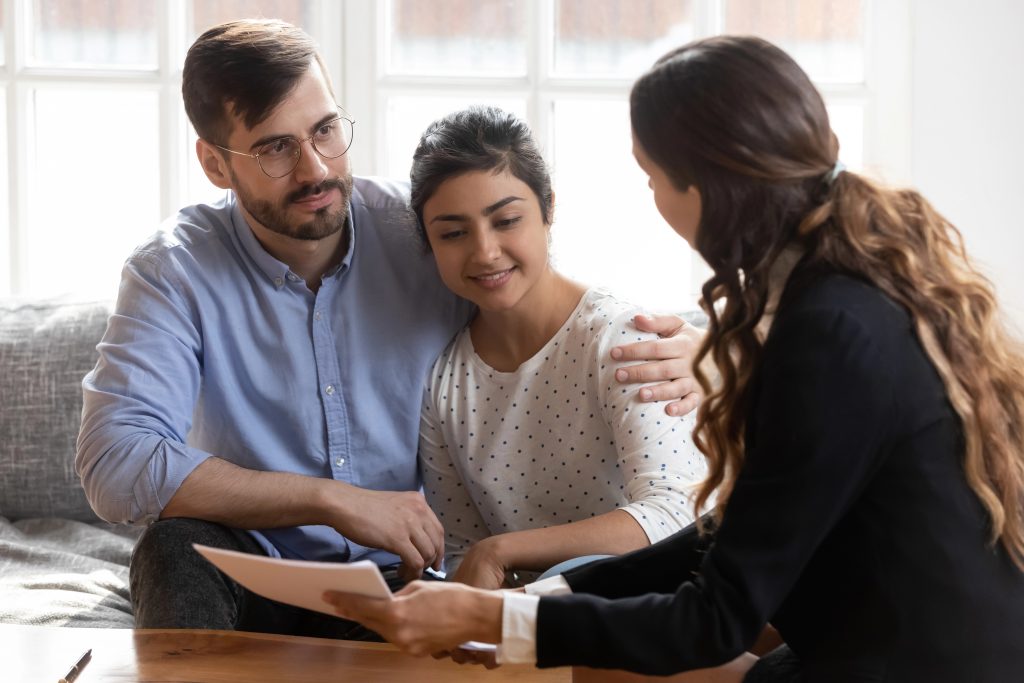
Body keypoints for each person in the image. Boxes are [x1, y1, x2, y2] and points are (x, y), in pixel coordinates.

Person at [323, 35, 1024, 681]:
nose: (653, 199)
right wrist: (546, 595)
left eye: (653, 177)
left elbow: (716, 618)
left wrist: (504, 619)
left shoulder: (831, 329)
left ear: (706, 187)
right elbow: (738, 531)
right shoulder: (841, 292)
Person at [74, 19, 701, 640]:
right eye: (274, 147)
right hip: (257, 569)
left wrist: (710, 352)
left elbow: (538, 293)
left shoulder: (429, 229)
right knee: (174, 547)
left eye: (325, 130)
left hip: (412, 579)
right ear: (214, 163)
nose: (315, 169)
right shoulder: (173, 270)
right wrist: (329, 499)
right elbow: (115, 462)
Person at [411, 106, 708, 589]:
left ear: (548, 211)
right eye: (453, 233)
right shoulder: (445, 382)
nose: (484, 251)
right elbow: (464, 555)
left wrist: (504, 551)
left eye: (506, 220)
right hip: (528, 630)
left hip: (654, 607)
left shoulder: (621, 339)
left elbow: (675, 515)